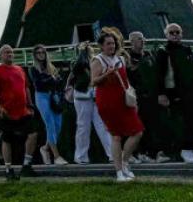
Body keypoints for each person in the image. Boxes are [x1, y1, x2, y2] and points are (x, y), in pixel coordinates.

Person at [91, 30, 145, 182]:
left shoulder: (120, 59)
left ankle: (125, 161)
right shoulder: (98, 60)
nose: (111, 46)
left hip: (123, 99)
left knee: (137, 131)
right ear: (101, 46)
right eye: (108, 43)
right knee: (116, 136)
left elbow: (126, 81)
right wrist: (107, 74)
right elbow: (93, 81)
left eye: (113, 43)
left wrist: (132, 99)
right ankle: (119, 172)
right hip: (108, 101)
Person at [155, 23, 193, 163]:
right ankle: (184, 150)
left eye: (177, 32)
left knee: (191, 121)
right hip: (174, 91)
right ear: (166, 35)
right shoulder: (163, 51)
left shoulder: (186, 49)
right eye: (172, 33)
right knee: (180, 122)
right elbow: (158, 74)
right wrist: (161, 93)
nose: (175, 35)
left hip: (190, 90)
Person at [0, 44, 38, 180]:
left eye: (11, 52)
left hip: (23, 110)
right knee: (7, 139)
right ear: (1, 55)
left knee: (33, 134)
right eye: (6, 52)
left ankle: (26, 165)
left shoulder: (19, 69)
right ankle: (8, 169)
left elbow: (26, 88)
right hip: (7, 110)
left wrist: (30, 104)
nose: (9, 54)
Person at [67, 41, 113, 164]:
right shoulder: (79, 64)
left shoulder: (95, 63)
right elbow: (76, 71)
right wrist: (83, 51)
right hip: (83, 97)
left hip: (94, 97)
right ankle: (81, 156)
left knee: (102, 125)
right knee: (83, 127)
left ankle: (112, 154)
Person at [127, 31, 168, 163]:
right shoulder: (128, 58)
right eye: (139, 39)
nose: (142, 41)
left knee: (155, 124)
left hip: (152, 95)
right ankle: (141, 152)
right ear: (132, 42)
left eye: (143, 38)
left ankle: (155, 152)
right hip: (139, 96)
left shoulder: (149, 55)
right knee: (141, 126)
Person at [28, 45, 68, 165]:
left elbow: (59, 81)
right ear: (35, 55)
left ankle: (45, 148)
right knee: (49, 124)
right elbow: (38, 84)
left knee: (58, 126)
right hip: (41, 96)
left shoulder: (51, 67)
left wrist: (52, 80)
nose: (41, 54)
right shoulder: (33, 69)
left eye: (43, 52)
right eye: (38, 53)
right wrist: (51, 79)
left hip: (53, 96)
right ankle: (56, 156)